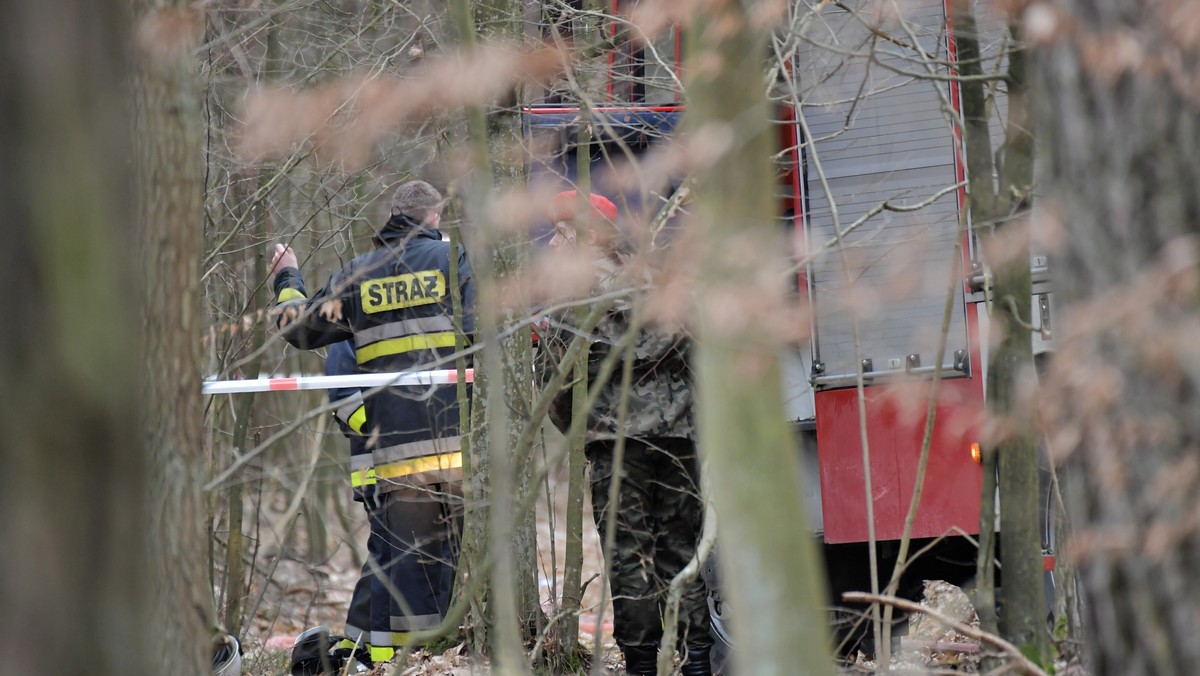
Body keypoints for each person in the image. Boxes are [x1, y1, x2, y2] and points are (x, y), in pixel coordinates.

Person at [269, 180, 473, 671]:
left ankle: (379, 657)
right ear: (433, 219)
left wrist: (287, 276)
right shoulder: (453, 262)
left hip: (390, 452)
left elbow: (296, 325)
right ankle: (418, 654)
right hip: (453, 443)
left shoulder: (361, 274)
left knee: (395, 553)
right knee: (434, 558)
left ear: (393, 217)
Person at [540, 190, 713, 676]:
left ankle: (641, 665)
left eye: (561, 232)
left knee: (628, 555)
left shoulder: (571, 296)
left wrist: (579, 429)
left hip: (615, 445)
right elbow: (701, 355)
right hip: (679, 440)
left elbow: (554, 379)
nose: (554, 245)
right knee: (683, 549)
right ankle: (697, 661)